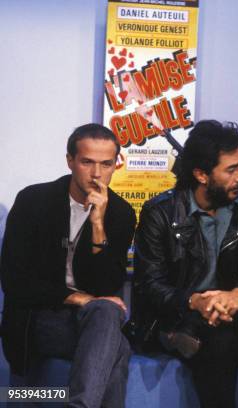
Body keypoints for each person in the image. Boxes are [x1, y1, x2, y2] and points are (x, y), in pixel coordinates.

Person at [133, 120, 238, 408]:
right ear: (201, 174)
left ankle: (197, 331)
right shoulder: (160, 212)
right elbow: (150, 285)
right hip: (180, 313)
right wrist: (194, 302)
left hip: (230, 308)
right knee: (221, 339)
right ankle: (197, 327)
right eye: (231, 170)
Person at [1, 123, 136, 407]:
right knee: (118, 347)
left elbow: (107, 287)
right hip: (37, 318)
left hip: (90, 321)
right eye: (87, 162)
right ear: (70, 161)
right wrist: (77, 297)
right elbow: (14, 281)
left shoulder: (121, 213)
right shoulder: (33, 201)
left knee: (105, 311)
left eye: (106, 164)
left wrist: (98, 226)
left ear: (116, 165)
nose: (97, 174)